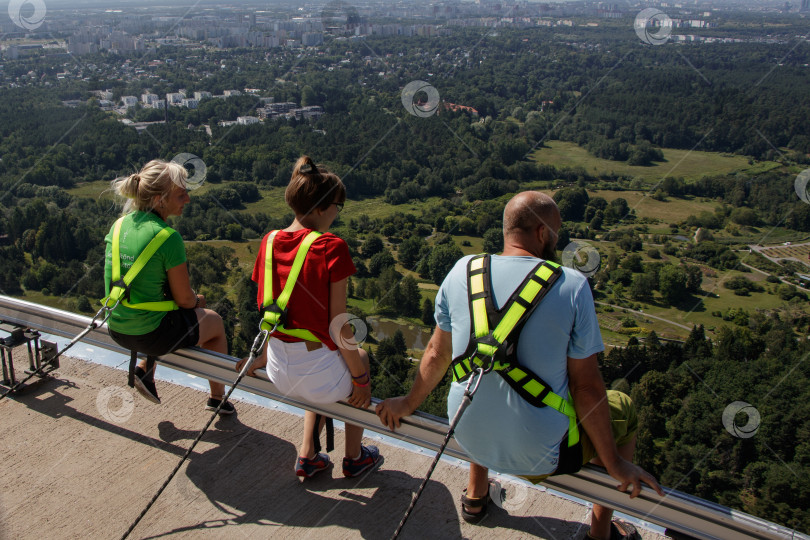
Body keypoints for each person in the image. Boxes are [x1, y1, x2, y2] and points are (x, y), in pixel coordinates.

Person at [376, 191, 664, 540]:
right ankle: (601, 532)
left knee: (483, 373)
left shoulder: (461, 270)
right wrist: (616, 465)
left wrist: (406, 403)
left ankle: (476, 496)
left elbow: (436, 354)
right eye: (556, 233)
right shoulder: (572, 286)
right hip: (541, 453)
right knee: (624, 407)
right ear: (543, 234)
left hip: (466, 434)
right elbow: (586, 388)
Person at [236, 155, 381, 479]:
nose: (338, 214)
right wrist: (361, 380)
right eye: (338, 206)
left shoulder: (269, 241)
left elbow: (269, 311)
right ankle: (355, 457)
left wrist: (258, 356)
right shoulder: (331, 247)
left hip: (277, 369)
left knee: (317, 370)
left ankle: (308, 454)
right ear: (320, 208)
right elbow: (338, 325)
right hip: (318, 377)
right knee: (359, 357)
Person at [104, 159, 234, 414]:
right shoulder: (168, 237)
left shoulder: (118, 226)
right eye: (181, 193)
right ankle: (218, 398)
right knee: (214, 322)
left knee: (163, 311)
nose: (187, 199)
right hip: (150, 335)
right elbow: (185, 300)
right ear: (159, 199)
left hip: (117, 327)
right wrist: (198, 301)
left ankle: (145, 367)